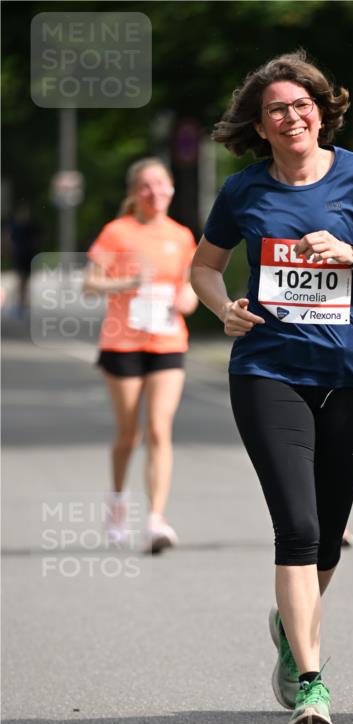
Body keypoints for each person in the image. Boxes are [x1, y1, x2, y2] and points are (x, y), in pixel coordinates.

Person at [191, 50, 353, 724]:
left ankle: (290, 629)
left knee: (328, 544)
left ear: (322, 110)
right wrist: (222, 308)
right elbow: (203, 267)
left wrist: (350, 255)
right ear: (259, 125)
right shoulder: (244, 191)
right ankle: (312, 685)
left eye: (301, 104)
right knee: (299, 527)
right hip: (267, 371)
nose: (291, 117)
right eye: (276, 109)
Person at [83, 158, 198, 553]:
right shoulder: (118, 232)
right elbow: (89, 284)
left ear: (171, 189)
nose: (156, 193)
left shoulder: (182, 236)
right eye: (147, 187)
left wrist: (189, 297)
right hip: (123, 343)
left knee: (160, 428)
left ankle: (155, 520)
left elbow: (193, 284)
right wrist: (129, 281)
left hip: (167, 341)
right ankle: (117, 503)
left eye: (162, 185)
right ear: (135, 193)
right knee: (129, 433)